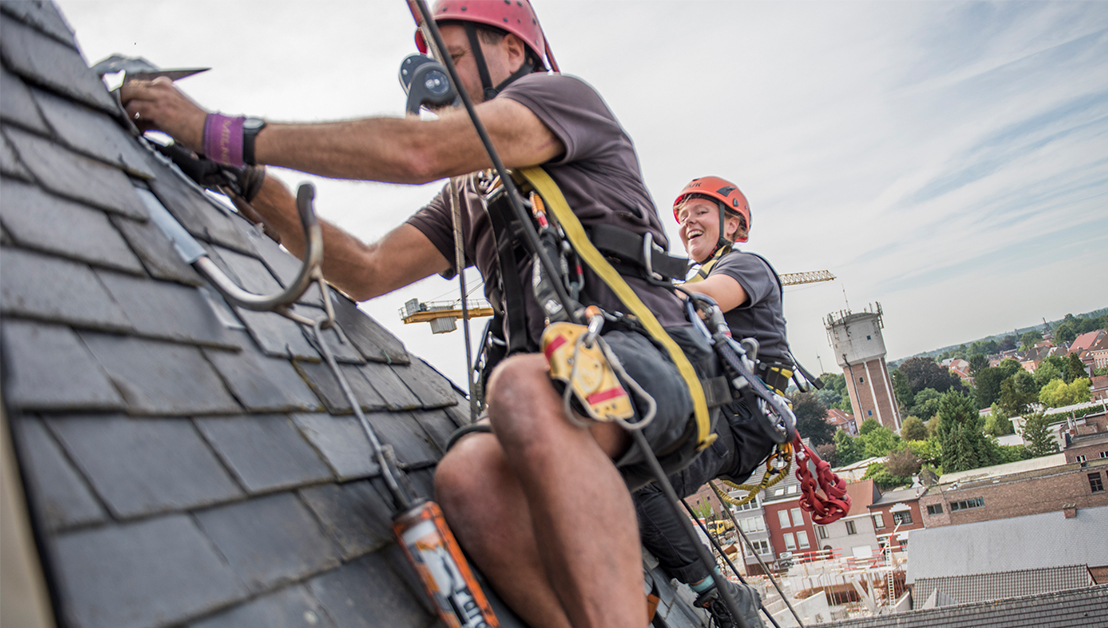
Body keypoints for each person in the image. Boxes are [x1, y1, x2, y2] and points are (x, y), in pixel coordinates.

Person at [120, 2, 719, 627]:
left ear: (512, 52)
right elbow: (366, 267)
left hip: (651, 362)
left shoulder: (560, 99)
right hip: (568, 383)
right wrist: (249, 182)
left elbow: (417, 151)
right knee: (467, 480)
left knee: (516, 384)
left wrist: (211, 128)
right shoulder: (469, 191)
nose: (440, 79)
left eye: (454, 57)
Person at [634, 176, 793, 628]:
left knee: (638, 478)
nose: (688, 224)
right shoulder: (689, 280)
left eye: (701, 212)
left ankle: (720, 596)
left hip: (743, 421)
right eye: (683, 218)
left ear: (733, 224)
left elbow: (706, 301)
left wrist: (628, 291)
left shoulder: (747, 267)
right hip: (714, 410)